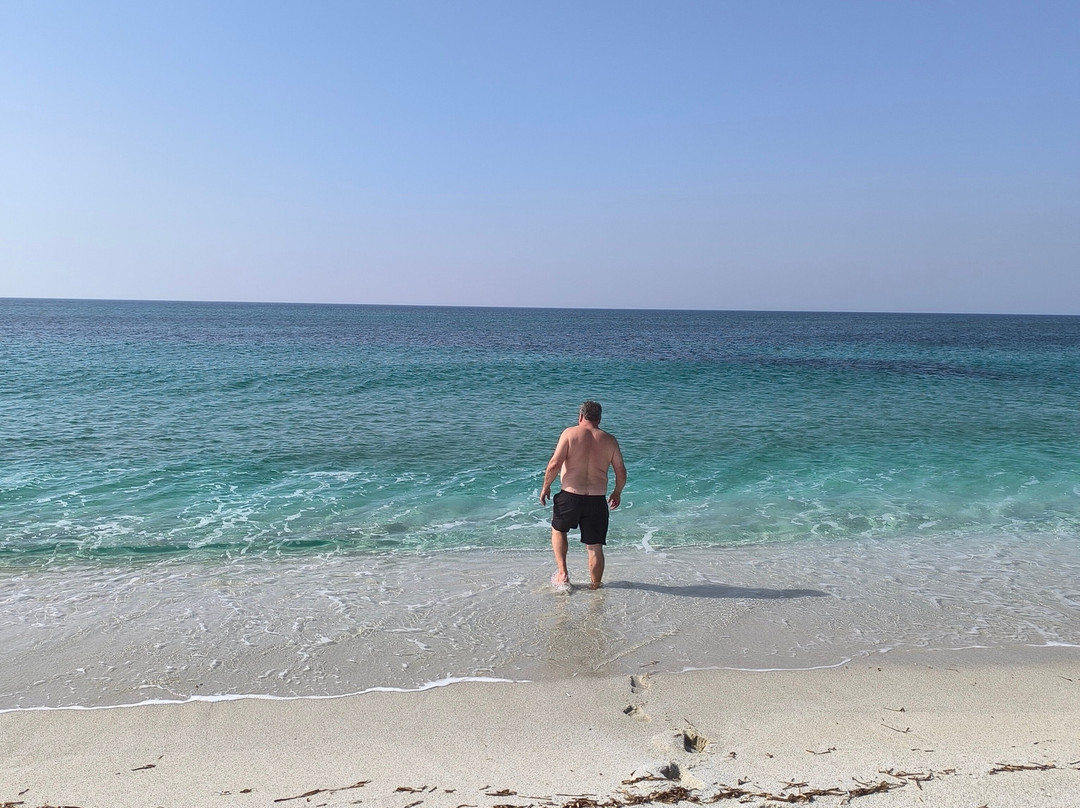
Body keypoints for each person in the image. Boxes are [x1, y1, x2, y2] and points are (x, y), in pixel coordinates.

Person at [539, 400, 627, 590]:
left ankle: (563, 573)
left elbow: (555, 463)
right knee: (595, 546)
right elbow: (621, 471)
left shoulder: (570, 434)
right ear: (599, 418)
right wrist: (617, 492)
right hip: (597, 499)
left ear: (580, 416)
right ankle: (595, 587)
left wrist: (546, 487)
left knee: (558, 530)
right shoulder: (609, 440)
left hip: (570, 496)